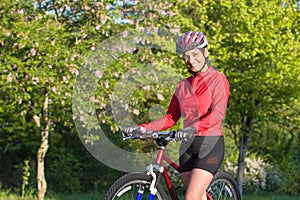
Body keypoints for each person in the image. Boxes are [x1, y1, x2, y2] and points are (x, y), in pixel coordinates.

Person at [122, 31, 230, 200]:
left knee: (191, 197)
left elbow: (217, 114)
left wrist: (193, 128)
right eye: (186, 57)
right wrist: (142, 129)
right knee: (196, 196)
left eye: (195, 54)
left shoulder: (218, 79)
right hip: (187, 146)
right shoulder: (182, 86)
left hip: (210, 143)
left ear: (205, 52)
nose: (191, 61)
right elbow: (170, 118)